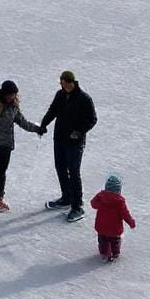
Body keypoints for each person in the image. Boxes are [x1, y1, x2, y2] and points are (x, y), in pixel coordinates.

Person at [40, 70, 98, 222]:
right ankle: (66, 197)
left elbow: (92, 119)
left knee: (73, 172)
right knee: (60, 168)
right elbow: (52, 111)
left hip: (74, 143)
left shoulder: (84, 99)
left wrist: (79, 132)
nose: (64, 86)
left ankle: (77, 206)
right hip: (59, 139)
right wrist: (43, 124)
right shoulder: (60, 95)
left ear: (73, 82)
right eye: (62, 84)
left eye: (66, 84)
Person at [0, 80, 41, 212]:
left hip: (5, 144)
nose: (13, 97)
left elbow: (22, 122)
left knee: (1, 171)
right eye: (11, 94)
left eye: (15, 94)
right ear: (4, 94)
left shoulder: (13, 106)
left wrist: (37, 129)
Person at [90, 174, 135, 262]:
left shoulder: (101, 197)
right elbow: (125, 214)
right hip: (114, 228)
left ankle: (104, 252)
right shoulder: (120, 201)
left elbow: (93, 204)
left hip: (101, 226)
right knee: (115, 241)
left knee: (103, 240)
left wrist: (98, 197)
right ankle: (115, 252)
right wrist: (131, 222)